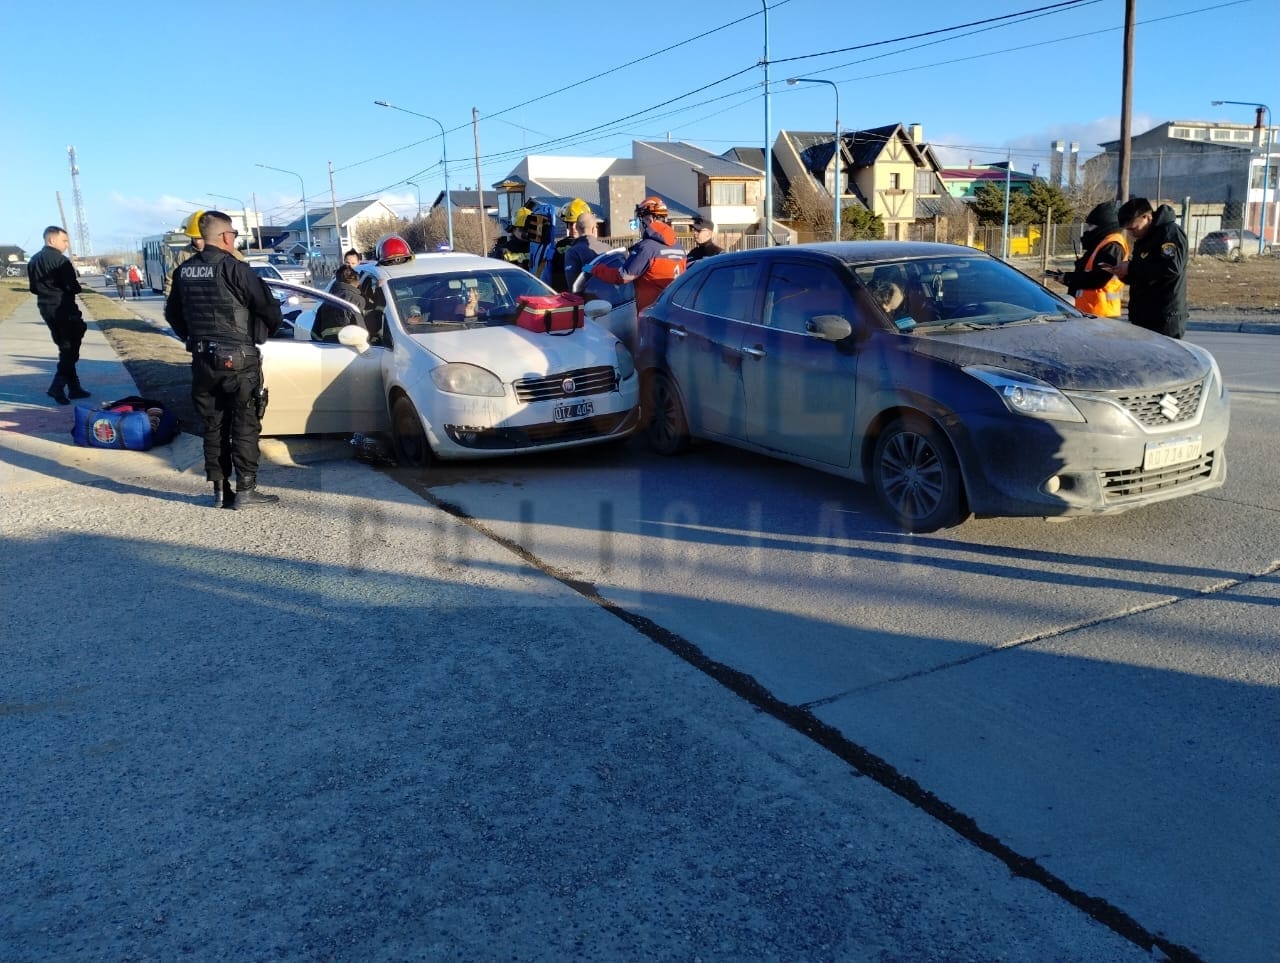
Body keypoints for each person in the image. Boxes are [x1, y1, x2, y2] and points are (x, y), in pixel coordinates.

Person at [165, 210, 284, 509]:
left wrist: (191, 338)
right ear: (225, 237)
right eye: (233, 234)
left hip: (203, 360)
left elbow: (173, 314)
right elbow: (269, 309)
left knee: (213, 424)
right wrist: (266, 327)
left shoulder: (184, 272)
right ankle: (246, 490)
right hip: (238, 361)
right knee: (244, 423)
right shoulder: (236, 269)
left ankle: (220, 492)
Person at [590, 196, 685, 314]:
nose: (640, 225)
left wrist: (595, 269)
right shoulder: (679, 247)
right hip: (674, 311)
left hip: (651, 313)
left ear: (649, 220)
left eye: (641, 220)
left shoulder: (646, 248)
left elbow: (622, 277)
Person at [1108, 197, 1188, 338]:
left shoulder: (1169, 233)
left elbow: (1171, 267)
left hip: (1163, 316)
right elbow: (1144, 273)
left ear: (1147, 217)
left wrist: (1131, 268)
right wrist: (1124, 274)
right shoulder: (1145, 239)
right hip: (1144, 314)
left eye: (1133, 228)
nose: (1132, 234)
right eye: (1128, 230)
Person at [27, 225, 90, 405]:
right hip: (63, 308)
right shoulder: (60, 261)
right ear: (51, 240)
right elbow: (72, 287)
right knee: (70, 350)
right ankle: (57, 386)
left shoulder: (33, 260)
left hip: (45, 308)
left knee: (65, 347)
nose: (67, 245)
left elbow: (32, 288)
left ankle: (74, 388)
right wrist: (77, 287)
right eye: (64, 241)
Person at [1047, 201, 1127, 317]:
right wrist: (1065, 278)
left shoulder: (1112, 246)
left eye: (1091, 226)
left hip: (1101, 313)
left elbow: (1098, 278)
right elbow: (1086, 276)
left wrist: (1068, 278)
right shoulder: (1100, 245)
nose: (1087, 230)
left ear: (1104, 226)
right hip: (1088, 310)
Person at [314, 264, 366, 341]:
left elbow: (315, 334)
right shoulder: (358, 300)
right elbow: (362, 332)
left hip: (328, 348)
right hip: (351, 348)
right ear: (356, 281)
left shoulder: (326, 301)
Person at [548, 198, 591, 291]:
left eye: (577, 224)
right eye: (570, 224)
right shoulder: (561, 245)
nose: (573, 228)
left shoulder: (591, 244)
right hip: (566, 295)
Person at [563, 210, 609, 292]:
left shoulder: (572, 252)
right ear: (594, 229)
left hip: (589, 301)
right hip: (614, 300)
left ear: (576, 228)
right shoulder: (608, 248)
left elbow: (573, 286)